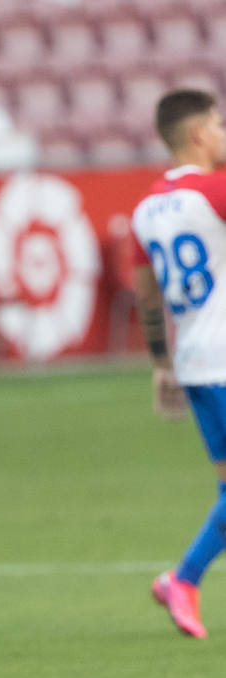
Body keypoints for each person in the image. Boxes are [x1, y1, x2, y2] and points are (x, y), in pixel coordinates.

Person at [130, 88, 226, 639]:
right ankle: (183, 578)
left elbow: (147, 298)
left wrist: (161, 363)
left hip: (193, 362)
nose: (221, 132)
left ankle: (181, 581)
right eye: (217, 124)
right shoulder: (213, 191)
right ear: (198, 135)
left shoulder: (145, 209)